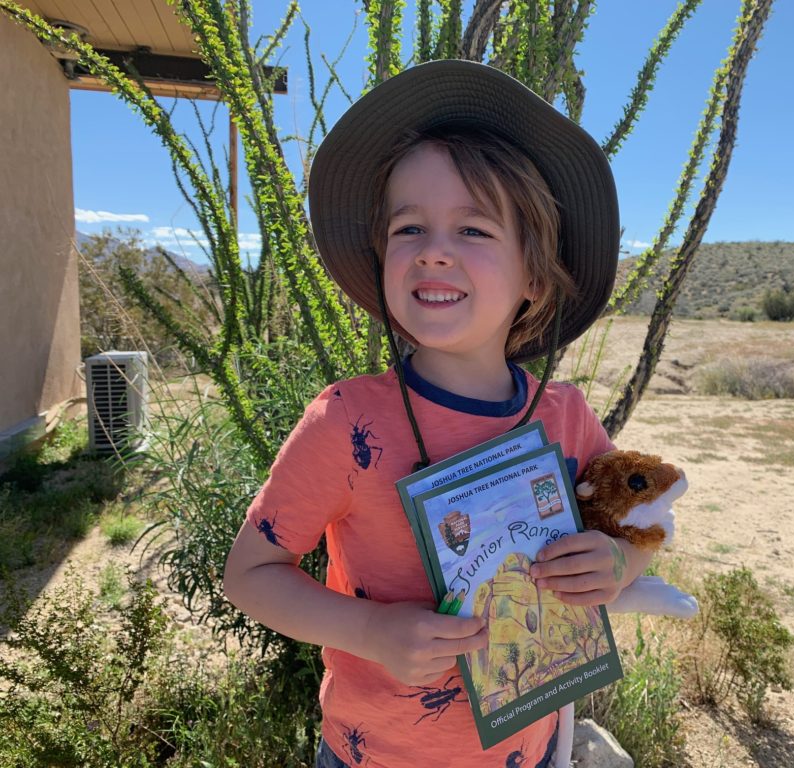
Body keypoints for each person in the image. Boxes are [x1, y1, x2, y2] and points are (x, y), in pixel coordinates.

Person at [222, 61, 651, 768]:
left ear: (535, 278)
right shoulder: (345, 423)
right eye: (409, 228)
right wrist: (371, 630)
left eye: (475, 231)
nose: (435, 253)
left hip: (530, 749)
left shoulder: (566, 418)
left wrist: (619, 561)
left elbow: (642, 520)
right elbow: (250, 574)